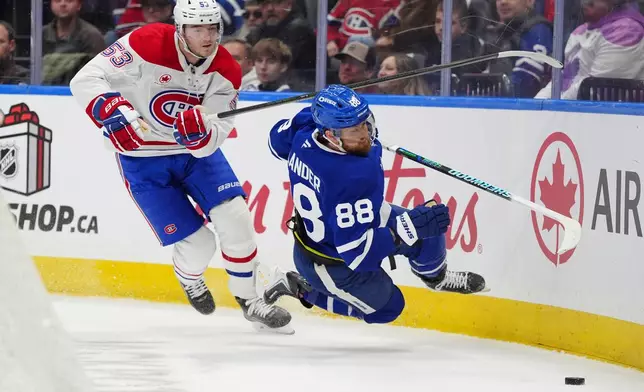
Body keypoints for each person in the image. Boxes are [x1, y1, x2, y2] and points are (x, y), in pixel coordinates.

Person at [69, 0, 292, 333]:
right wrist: (111, 108)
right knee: (200, 245)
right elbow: (85, 80)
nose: (207, 37)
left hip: (193, 157)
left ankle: (249, 300)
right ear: (180, 28)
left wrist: (198, 136)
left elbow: (214, 137)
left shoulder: (226, 70)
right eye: (197, 29)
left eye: (212, 28)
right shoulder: (146, 42)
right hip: (142, 159)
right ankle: (190, 278)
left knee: (235, 218)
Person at [261, 85, 486, 325]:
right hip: (328, 259)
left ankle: (436, 278)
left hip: (343, 221)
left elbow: (275, 142)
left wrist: (315, 110)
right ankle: (300, 288)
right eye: (353, 130)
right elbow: (357, 254)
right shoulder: (352, 176)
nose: (364, 134)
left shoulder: (306, 129)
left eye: (363, 123)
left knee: (429, 228)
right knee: (389, 308)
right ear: (330, 135)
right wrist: (409, 227)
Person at [536, 0, 644, 100]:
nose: (585, 2)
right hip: (570, 112)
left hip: (604, 116)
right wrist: (537, 105)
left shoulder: (627, 31)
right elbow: (563, 80)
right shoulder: (581, 30)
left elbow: (595, 90)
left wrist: (552, 109)